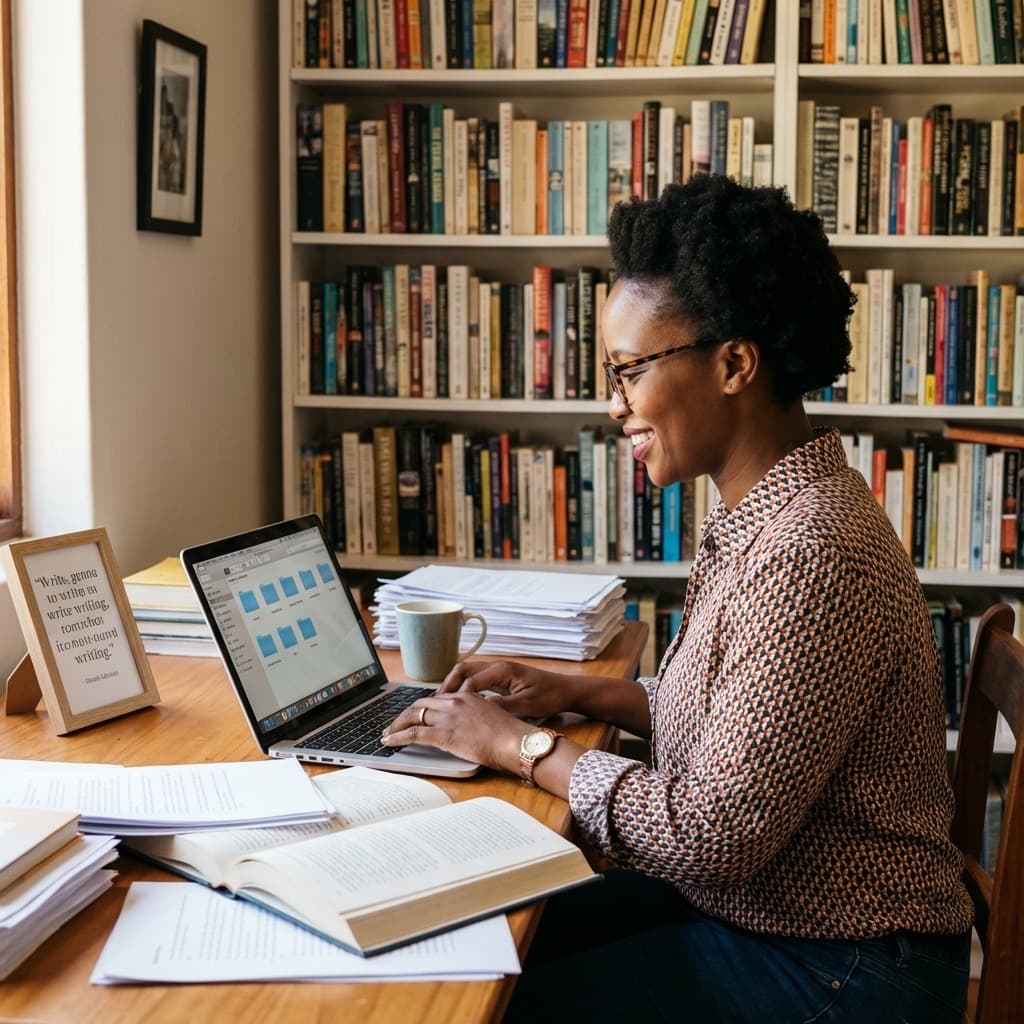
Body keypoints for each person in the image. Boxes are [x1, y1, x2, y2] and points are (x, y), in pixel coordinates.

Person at [381, 175, 974, 1022]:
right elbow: (735, 723)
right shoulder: (762, 512)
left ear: (734, 362)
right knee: (479, 932)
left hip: (844, 964)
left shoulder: (813, 552)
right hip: (770, 916)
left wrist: (519, 745)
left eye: (628, 371)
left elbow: (710, 836)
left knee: (485, 1002)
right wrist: (579, 693)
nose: (612, 402)